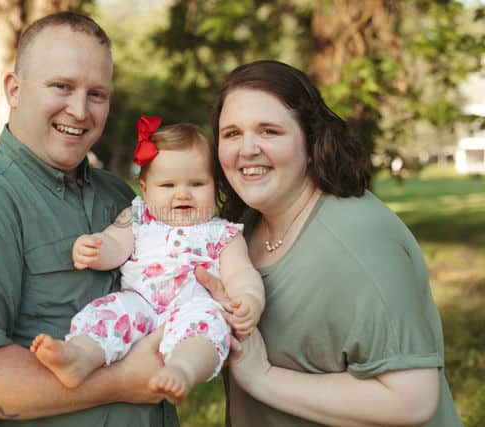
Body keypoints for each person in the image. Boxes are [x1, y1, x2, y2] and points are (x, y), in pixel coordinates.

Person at [0, 12, 179, 427]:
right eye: (61, 87)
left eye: (97, 94)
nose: (80, 110)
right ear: (14, 90)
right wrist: (122, 382)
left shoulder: (120, 197)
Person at [195, 59, 462, 426]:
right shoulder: (242, 230)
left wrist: (263, 377)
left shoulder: (360, 238)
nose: (248, 149)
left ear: (311, 141)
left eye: (269, 131)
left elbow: (412, 399)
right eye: (232, 133)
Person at [30, 118, 264, 405]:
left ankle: (183, 370)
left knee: (207, 328)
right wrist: (93, 248)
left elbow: (241, 272)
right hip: (139, 301)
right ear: (145, 189)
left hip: (193, 305)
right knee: (110, 314)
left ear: (214, 186)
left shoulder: (222, 233)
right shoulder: (137, 217)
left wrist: (249, 298)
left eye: (197, 183)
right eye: (167, 184)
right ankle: (79, 356)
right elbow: (115, 243)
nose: (182, 193)